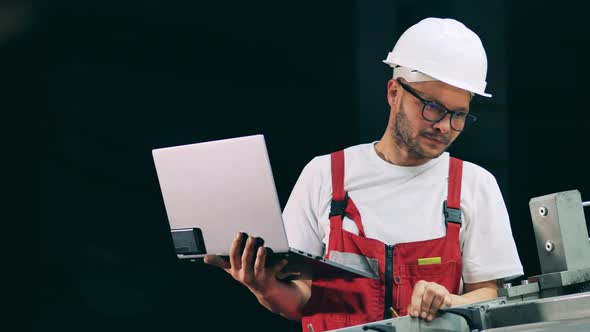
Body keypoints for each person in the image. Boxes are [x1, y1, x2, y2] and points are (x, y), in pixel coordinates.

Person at [205, 17, 523, 332]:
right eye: (433, 107)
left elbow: (492, 295)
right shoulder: (325, 175)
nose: (443, 125)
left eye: (459, 115)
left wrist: (449, 301)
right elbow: (302, 299)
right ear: (394, 92)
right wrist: (264, 287)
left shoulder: (475, 185)